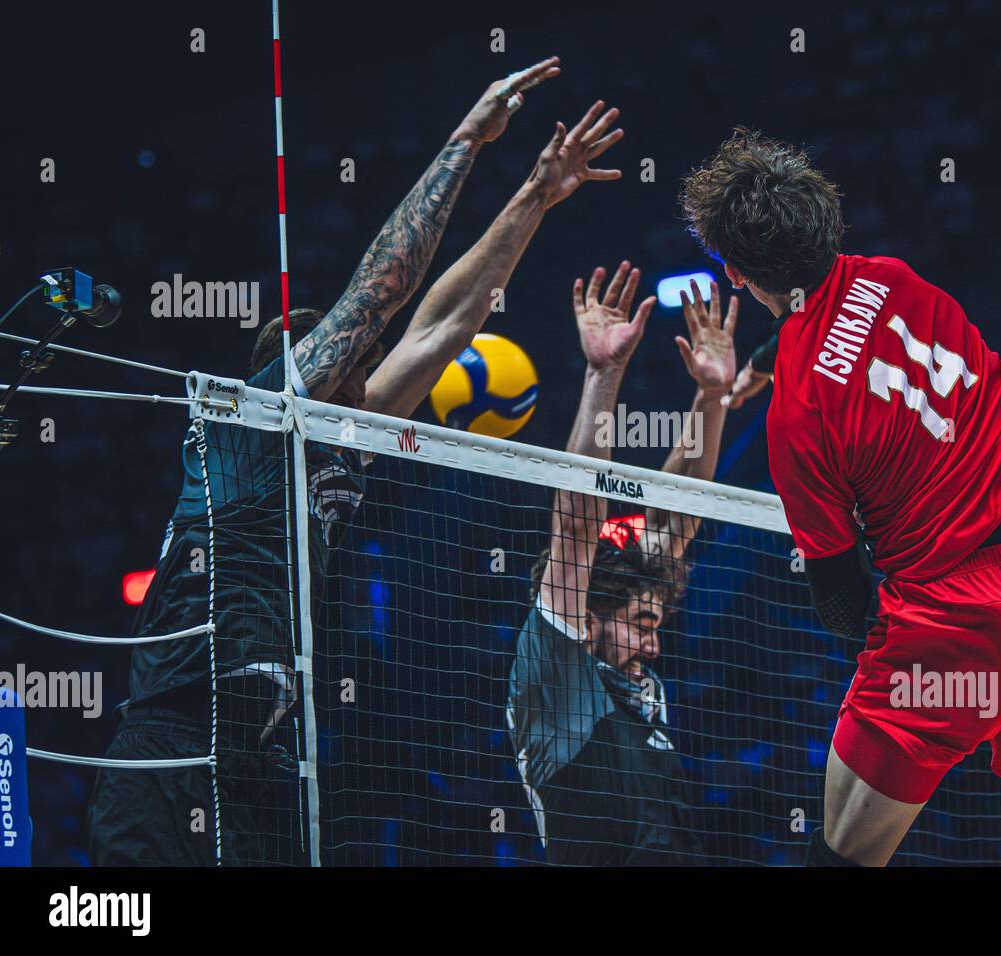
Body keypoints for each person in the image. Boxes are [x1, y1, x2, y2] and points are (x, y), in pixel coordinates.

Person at [87, 58, 626, 865]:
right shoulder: (252, 421)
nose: (355, 359)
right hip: (171, 742)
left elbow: (447, 321)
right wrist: (467, 141)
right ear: (292, 367)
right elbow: (381, 289)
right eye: (333, 351)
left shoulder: (344, 437)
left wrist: (538, 194)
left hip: (264, 754)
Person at [680, 128, 1001, 866]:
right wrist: (767, 360)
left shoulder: (802, 417)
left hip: (952, 615)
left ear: (735, 276)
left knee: (845, 848)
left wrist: (893, 667)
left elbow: (839, 589)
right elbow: (847, 322)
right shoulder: (895, 277)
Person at [506, 264, 738, 865]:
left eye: (654, 626)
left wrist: (711, 396)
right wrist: (603, 374)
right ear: (585, 619)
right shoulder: (561, 675)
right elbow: (578, 527)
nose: (654, 647)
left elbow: (677, 519)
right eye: (642, 624)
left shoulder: (635, 691)